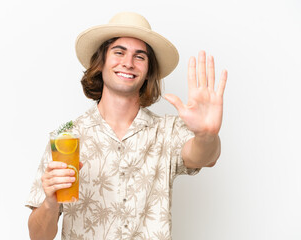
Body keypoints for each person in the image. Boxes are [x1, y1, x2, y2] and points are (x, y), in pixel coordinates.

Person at [26, 12, 227, 240]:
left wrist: (206, 135)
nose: (128, 63)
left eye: (139, 57)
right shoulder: (66, 137)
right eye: (119, 52)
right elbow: (38, 237)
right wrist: (51, 202)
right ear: (100, 62)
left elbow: (204, 156)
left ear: (148, 71)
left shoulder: (167, 132)